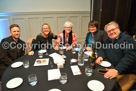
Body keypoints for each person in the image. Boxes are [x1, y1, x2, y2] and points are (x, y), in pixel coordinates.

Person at [96, 21, 136, 91]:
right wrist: (100, 56)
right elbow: (102, 49)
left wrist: (117, 70)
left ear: (118, 28)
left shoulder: (127, 39)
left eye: (113, 29)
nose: (111, 32)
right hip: (111, 68)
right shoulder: (109, 40)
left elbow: (129, 57)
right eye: (109, 31)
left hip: (124, 72)